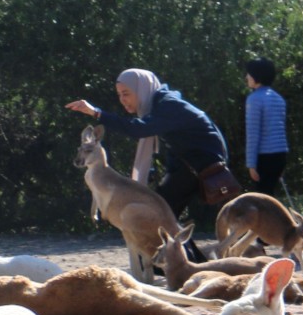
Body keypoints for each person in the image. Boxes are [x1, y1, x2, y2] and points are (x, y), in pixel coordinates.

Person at [66, 69, 231, 233]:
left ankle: (180, 258)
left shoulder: (168, 105)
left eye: (126, 93)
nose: (122, 100)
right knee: (163, 217)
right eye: (119, 95)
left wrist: (96, 113)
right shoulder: (158, 104)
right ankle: (182, 257)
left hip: (202, 163)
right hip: (188, 164)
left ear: (141, 89)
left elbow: (138, 129)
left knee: (159, 215)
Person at [242, 57, 290, 192]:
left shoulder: (254, 99)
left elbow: (253, 134)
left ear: (257, 75)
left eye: (249, 73)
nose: (247, 77)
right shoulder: (278, 98)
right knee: (270, 196)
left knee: (261, 200)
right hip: (280, 155)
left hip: (264, 157)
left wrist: (251, 164)